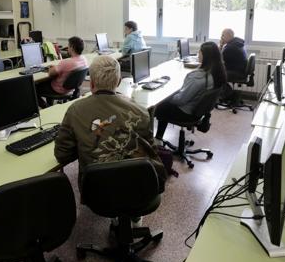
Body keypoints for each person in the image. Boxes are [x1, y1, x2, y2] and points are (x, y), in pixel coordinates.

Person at [54, 55, 166, 190]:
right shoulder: (141, 111)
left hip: (96, 190)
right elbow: (150, 152)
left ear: (91, 83)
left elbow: (62, 155)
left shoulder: (75, 111)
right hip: (138, 186)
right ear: (118, 81)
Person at [154, 41, 227, 140]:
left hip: (186, 113)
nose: (198, 53)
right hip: (198, 111)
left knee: (158, 107)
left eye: (199, 51)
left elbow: (180, 100)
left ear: (205, 55)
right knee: (165, 104)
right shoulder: (217, 73)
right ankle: (158, 138)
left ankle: (156, 140)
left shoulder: (197, 77)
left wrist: (164, 96)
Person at [36, 36, 88, 108]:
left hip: (58, 89)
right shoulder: (84, 59)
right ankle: (50, 105)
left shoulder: (66, 62)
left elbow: (51, 74)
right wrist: (57, 67)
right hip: (71, 88)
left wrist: (52, 68)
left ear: (72, 47)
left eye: (68, 45)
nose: (68, 48)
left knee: (33, 88)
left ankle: (46, 107)